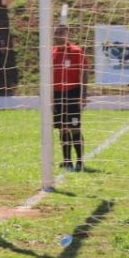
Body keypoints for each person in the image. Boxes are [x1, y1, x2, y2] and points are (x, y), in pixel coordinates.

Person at [52, 24, 88, 172]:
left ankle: (79, 161)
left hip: (73, 92)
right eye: (56, 32)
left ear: (67, 34)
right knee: (62, 128)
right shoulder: (51, 53)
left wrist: (83, 95)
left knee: (74, 128)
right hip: (57, 94)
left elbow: (84, 73)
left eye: (61, 32)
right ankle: (67, 161)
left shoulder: (76, 51)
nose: (58, 35)